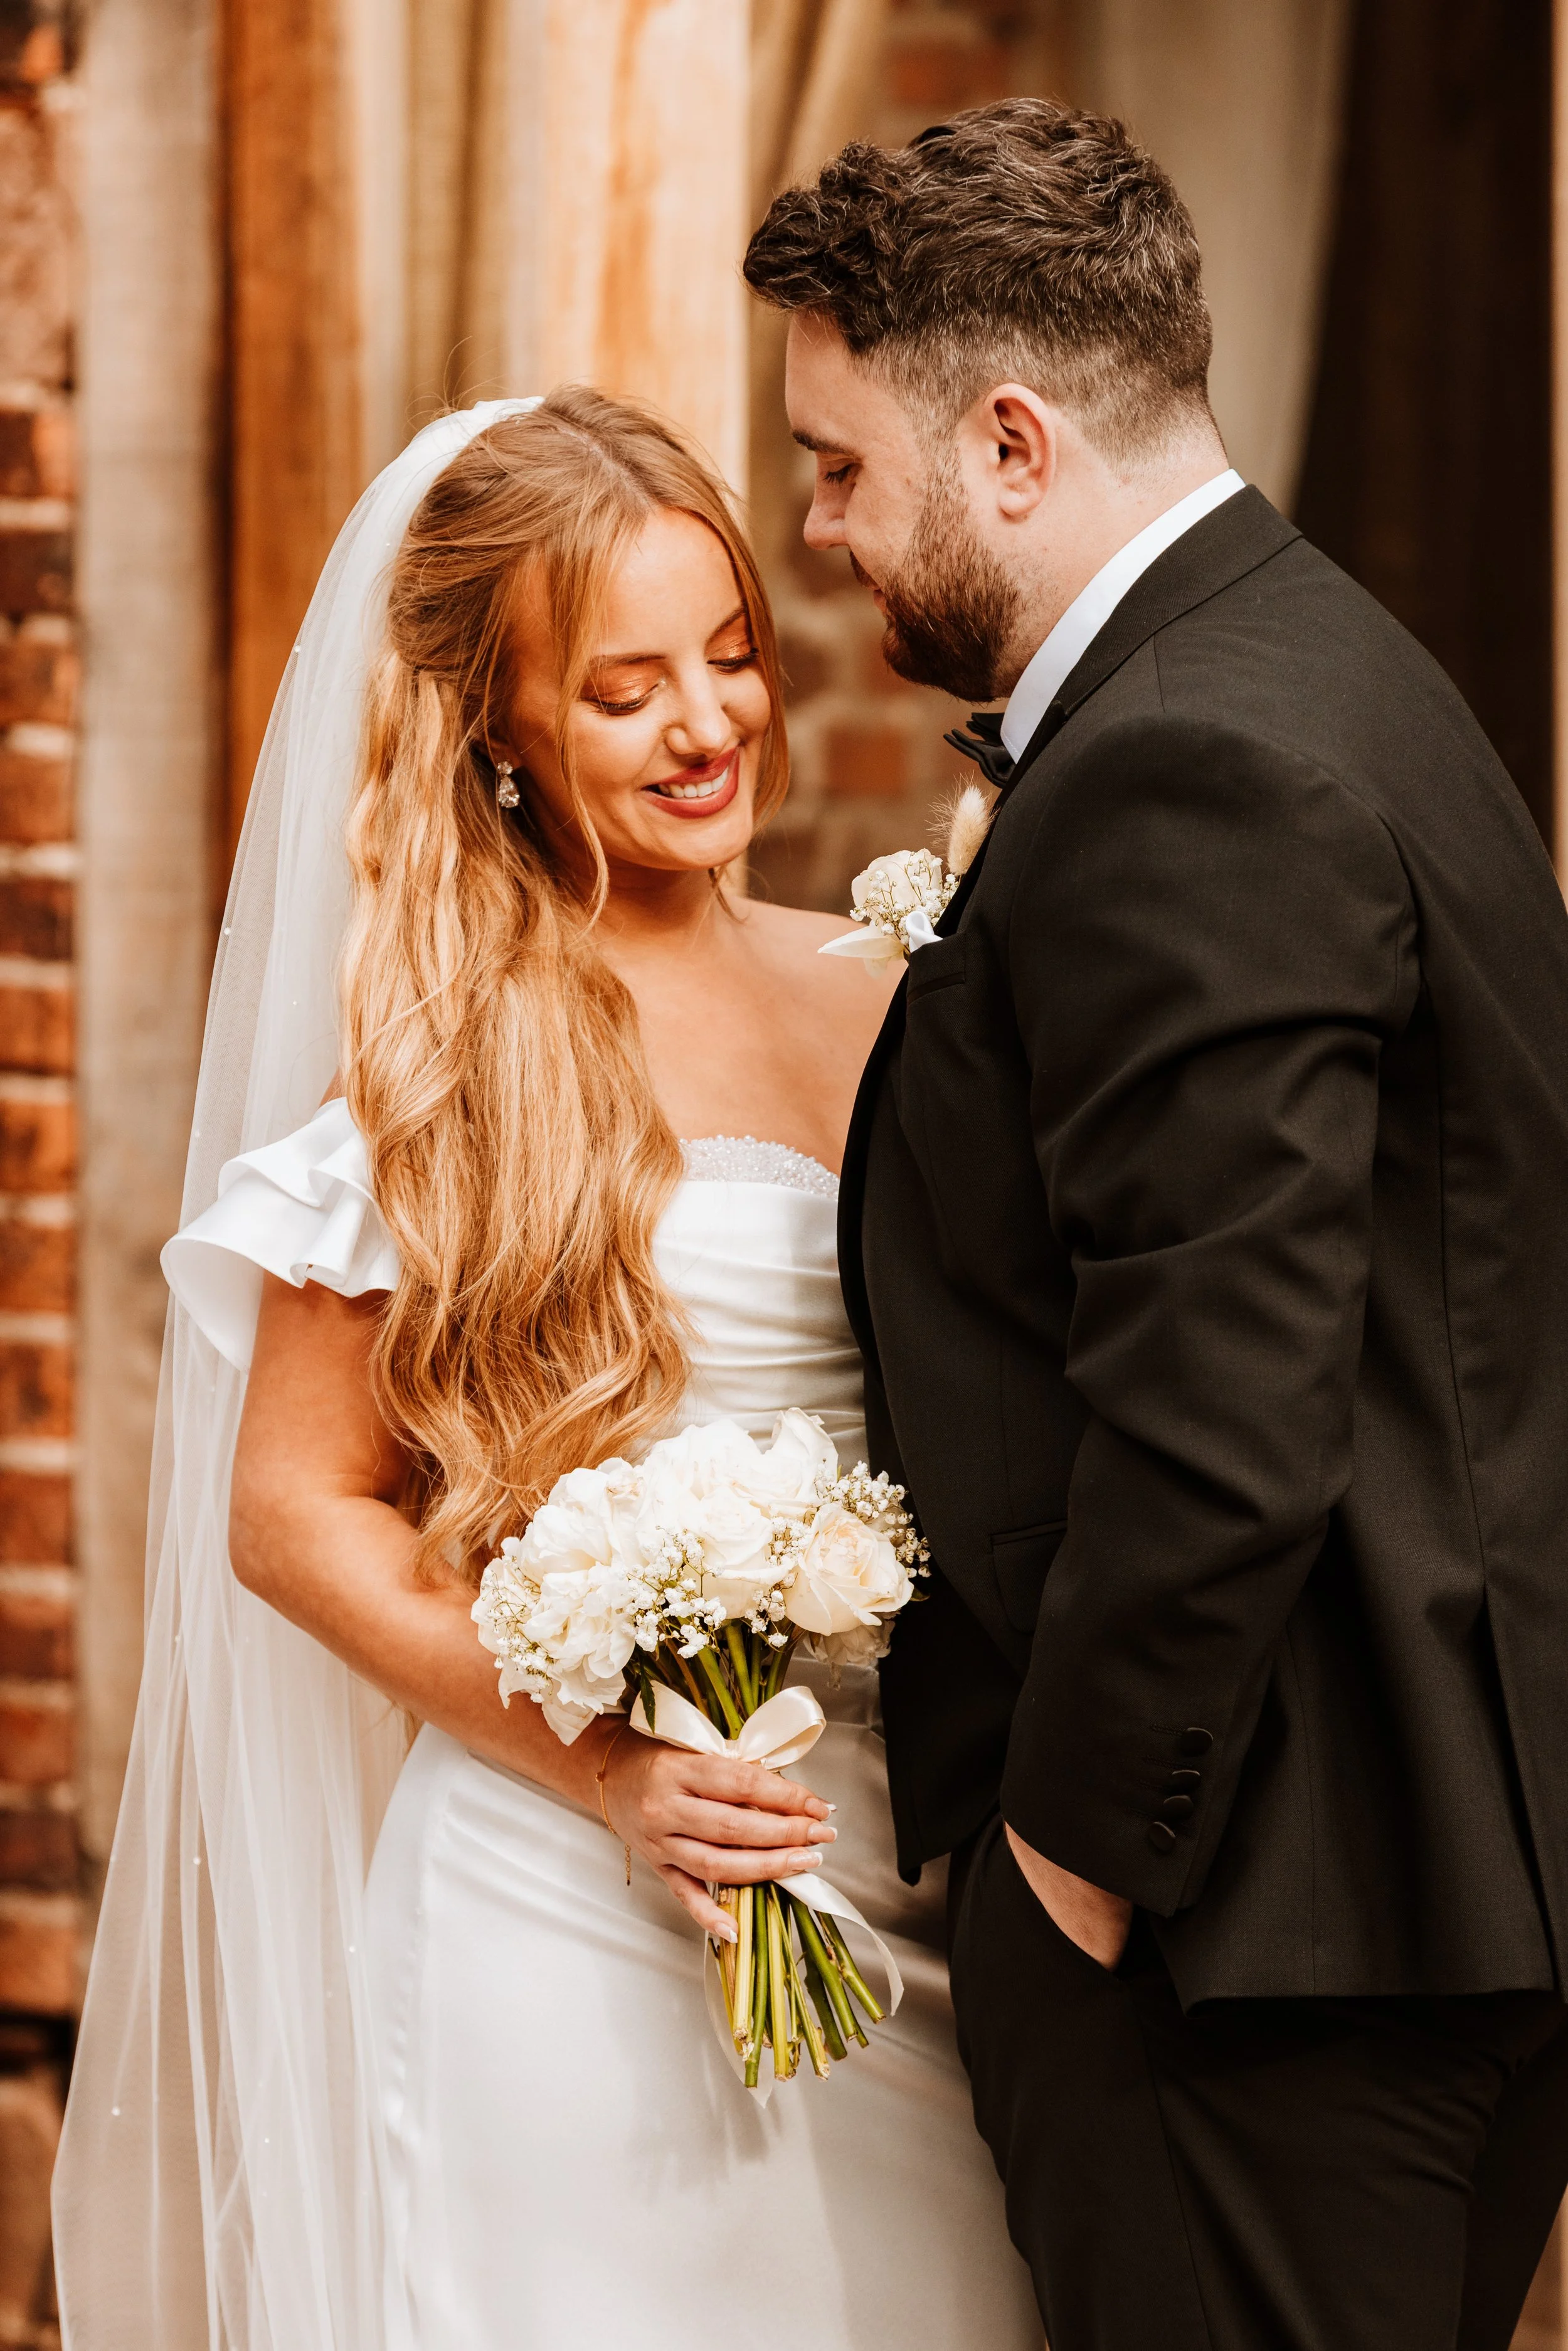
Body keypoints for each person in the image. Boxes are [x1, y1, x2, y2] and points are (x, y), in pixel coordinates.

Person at [51, 391, 1041, 2347]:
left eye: (735, 656)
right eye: (624, 690)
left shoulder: (886, 986)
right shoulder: (454, 1056)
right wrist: (612, 1771)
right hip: (569, 1908)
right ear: (499, 727)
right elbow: (290, 1511)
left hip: (899, 1877)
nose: (708, 726)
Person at [744, 96, 1568, 2351]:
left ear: (1009, 441)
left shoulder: (1184, 761)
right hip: (1386, 1892)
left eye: (836, 463)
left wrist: (1069, 1871)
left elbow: (1223, 1384)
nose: (815, 528)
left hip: (1249, 1939)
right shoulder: (1315, 662)